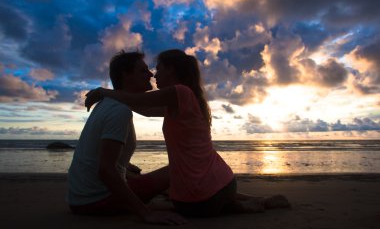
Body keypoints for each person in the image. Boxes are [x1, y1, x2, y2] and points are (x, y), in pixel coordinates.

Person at [85, 49, 290, 217]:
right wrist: (117, 99)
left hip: (197, 199)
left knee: (174, 200)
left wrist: (103, 92)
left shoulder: (180, 92)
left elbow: (138, 102)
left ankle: (241, 205)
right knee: (187, 196)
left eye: (159, 69)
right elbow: (144, 110)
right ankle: (247, 202)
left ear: (172, 70)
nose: (155, 75)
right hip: (217, 187)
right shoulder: (183, 101)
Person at [66, 51, 187, 225]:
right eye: (143, 70)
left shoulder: (108, 104)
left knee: (135, 172)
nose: (151, 74)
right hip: (96, 201)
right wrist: (146, 214)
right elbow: (106, 171)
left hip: (79, 199)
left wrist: (103, 92)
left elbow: (147, 108)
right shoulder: (119, 112)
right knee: (179, 167)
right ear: (126, 74)